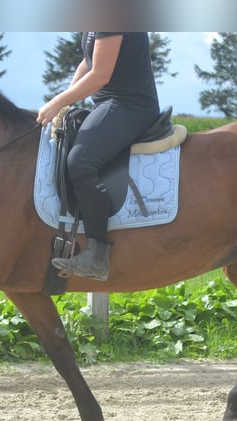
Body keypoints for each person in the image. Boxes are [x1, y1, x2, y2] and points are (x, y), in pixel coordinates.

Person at [36, 32, 160, 281]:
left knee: (80, 162)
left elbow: (100, 74)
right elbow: (88, 62)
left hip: (129, 105)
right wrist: (68, 99)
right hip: (109, 103)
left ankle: (96, 254)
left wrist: (58, 101)